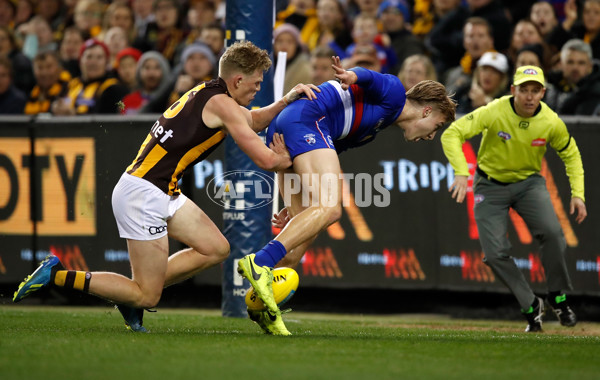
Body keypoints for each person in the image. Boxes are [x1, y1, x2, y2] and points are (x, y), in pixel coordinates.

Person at [12, 41, 319, 333]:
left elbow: (253, 120)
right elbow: (266, 159)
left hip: (160, 190)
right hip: (143, 194)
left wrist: (286, 100)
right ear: (238, 80)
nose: (257, 89)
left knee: (216, 249)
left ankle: (130, 295)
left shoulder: (211, 93)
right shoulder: (223, 105)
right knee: (147, 296)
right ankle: (58, 275)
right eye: (255, 83)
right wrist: (288, 154)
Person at [237, 56, 457, 335]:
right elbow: (372, 77)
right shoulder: (395, 93)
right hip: (305, 119)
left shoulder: (370, 131)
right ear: (426, 112)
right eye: (436, 127)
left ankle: (263, 309)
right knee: (331, 208)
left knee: (299, 241)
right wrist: (352, 75)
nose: (430, 137)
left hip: (294, 131)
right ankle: (260, 262)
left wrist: (295, 193)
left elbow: (322, 152)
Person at [440, 65, 587, 332]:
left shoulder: (551, 121)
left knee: (553, 234)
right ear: (513, 91)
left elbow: (572, 155)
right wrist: (461, 171)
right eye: (524, 90)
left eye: (535, 91)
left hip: (529, 184)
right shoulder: (495, 110)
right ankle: (531, 305)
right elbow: (452, 133)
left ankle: (557, 296)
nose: (529, 97)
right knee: (494, 254)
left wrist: (578, 194)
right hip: (489, 185)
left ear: (543, 92)